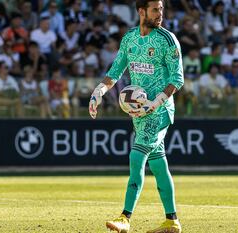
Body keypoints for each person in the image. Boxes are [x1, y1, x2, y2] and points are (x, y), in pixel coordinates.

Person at [88, 1, 183, 232]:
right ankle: (172, 220)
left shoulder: (167, 39)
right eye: (154, 9)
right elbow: (116, 70)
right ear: (141, 11)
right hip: (139, 112)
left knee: (136, 157)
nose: (160, 14)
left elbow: (177, 78)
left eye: (161, 9)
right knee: (159, 164)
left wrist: (156, 101)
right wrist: (98, 91)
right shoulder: (130, 38)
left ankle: (125, 217)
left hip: (159, 110)